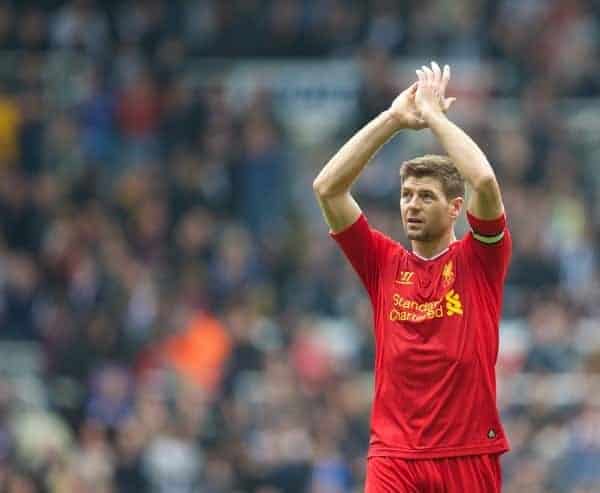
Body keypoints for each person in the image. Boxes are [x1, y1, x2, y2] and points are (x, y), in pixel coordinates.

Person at [313, 61, 511, 492]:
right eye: (406, 196)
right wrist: (394, 120)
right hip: (393, 456)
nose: (412, 206)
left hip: (467, 453)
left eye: (425, 196)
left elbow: (483, 179)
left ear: (455, 208)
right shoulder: (383, 263)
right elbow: (327, 188)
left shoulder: (479, 261)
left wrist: (436, 118)